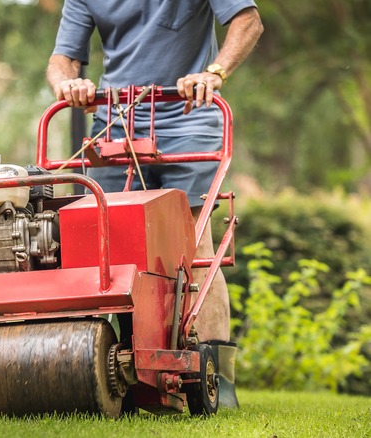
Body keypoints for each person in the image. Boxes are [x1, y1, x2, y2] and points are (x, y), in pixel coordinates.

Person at [47, 1, 263, 408]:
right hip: (116, 117)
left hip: (188, 113)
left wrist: (213, 72)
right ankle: (112, 370)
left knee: (194, 244)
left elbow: (248, 21)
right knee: (104, 248)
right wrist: (67, 83)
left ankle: (217, 380)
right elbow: (63, 59)